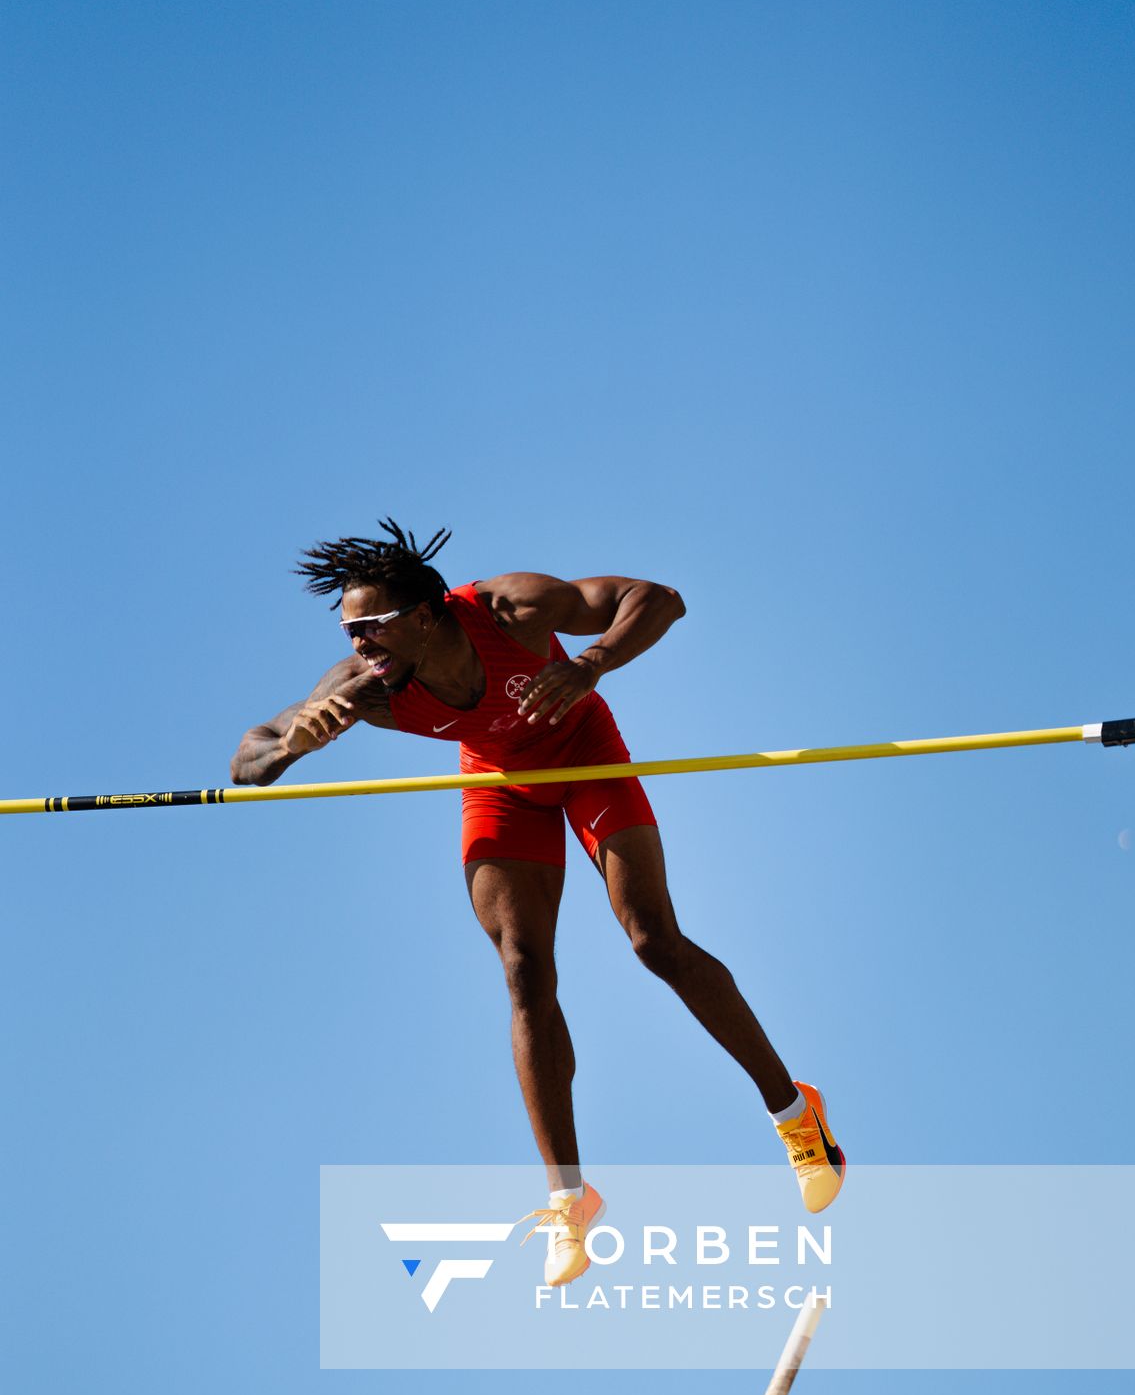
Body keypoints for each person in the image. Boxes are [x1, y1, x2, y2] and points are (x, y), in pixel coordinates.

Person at [231, 520, 844, 1285]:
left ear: (426, 614)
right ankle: (569, 1198)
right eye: (350, 631)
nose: (359, 646)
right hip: (500, 786)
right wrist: (293, 747)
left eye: (371, 627)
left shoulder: (508, 611)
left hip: (581, 751)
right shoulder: (361, 689)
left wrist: (590, 665)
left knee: (653, 940)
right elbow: (248, 759)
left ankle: (795, 1115)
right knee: (524, 972)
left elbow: (658, 600)